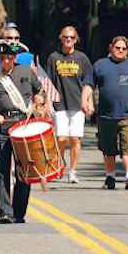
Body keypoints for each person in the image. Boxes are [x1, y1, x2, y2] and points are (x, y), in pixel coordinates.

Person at [0, 42, 45, 223]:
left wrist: (40, 98)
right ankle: (5, 212)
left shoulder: (25, 71)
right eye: (2, 59)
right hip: (2, 128)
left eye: (9, 58)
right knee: (2, 170)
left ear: (14, 58)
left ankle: (19, 211)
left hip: (24, 125)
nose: (6, 61)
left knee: (25, 169)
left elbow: (40, 91)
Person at [92, 36, 128, 190]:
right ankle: (110, 177)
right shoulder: (100, 64)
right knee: (108, 149)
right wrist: (86, 101)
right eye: (117, 48)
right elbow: (88, 85)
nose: (120, 50)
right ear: (111, 47)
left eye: (123, 48)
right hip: (106, 115)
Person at [45, 26, 94, 184]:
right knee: (61, 138)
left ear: (76, 39)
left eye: (72, 37)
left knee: (75, 139)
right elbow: (48, 82)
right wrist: (47, 103)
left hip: (77, 104)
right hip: (59, 103)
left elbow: (88, 82)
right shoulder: (54, 58)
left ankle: (73, 171)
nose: (68, 40)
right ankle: (59, 165)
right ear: (61, 38)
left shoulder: (82, 58)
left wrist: (88, 101)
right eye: (66, 37)